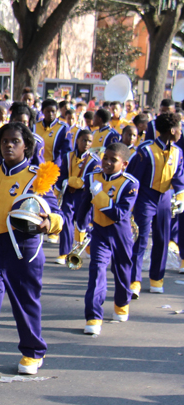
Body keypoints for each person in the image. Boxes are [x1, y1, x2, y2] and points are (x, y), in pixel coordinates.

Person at [0, 123, 62, 390]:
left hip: (24, 249)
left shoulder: (37, 176)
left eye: (15, 141)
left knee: (26, 304)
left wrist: (48, 223)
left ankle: (32, 351)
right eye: (4, 141)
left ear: (26, 145)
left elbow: (55, 213)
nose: (9, 145)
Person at [74, 143, 137, 335]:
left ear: (124, 164)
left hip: (121, 233)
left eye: (113, 160)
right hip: (100, 231)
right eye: (105, 158)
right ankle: (93, 316)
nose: (107, 163)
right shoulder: (92, 176)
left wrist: (99, 195)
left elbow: (118, 214)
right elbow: (84, 204)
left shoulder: (130, 183)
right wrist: (80, 228)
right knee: (97, 271)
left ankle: (121, 303)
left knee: (122, 270)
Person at [127, 112, 184, 297]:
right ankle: (134, 281)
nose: (181, 131)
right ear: (172, 129)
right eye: (180, 127)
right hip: (145, 197)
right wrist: (131, 203)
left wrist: (180, 197)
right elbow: (133, 176)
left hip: (165, 198)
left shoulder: (177, 151)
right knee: (141, 239)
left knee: (162, 238)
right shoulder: (146, 150)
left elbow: (179, 177)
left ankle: (156, 279)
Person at [55, 130, 99, 265]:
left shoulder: (94, 160)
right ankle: (64, 252)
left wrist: (75, 181)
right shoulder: (67, 157)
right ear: (77, 140)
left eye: (89, 141)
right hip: (69, 193)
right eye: (84, 140)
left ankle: (86, 246)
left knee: (84, 222)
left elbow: (92, 178)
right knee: (66, 221)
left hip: (84, 195)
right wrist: (63, 182)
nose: (86, 143)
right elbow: (61, 174)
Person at [35, 99, 70, 166]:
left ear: (57, 111)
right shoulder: (35, 126)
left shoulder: (63, 127)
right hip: (37, 165)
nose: (50, 114)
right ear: (42, 111)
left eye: (53, 111)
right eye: (47, 111)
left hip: (54, 166)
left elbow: (66, 150)